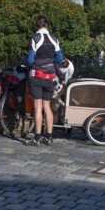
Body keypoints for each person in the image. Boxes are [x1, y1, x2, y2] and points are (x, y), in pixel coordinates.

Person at [24, 15, 63, 146]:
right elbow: (59, 57)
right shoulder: (54, 38)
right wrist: (50, 62)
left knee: (38, 107)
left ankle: (37, 138)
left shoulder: (34, 39)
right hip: (50, 76)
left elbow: (30, 60)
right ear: (47, 25)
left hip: (36, 75)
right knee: (47, 106)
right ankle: (50, 137)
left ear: (37, 25)